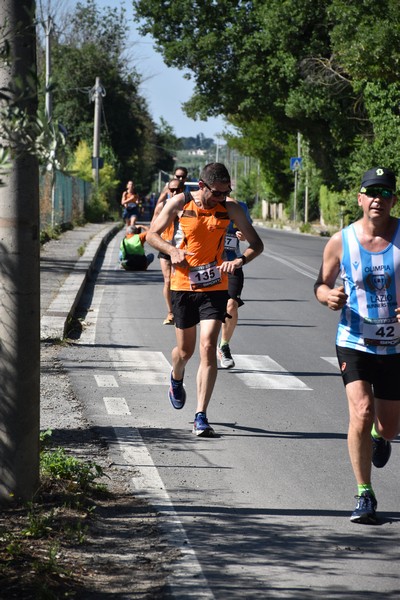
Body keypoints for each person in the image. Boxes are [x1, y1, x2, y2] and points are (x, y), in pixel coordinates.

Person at [147, 162, 264, 437]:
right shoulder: (180, 202)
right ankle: (176, 377)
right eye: (218, 193)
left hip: (214, 286)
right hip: (183, 285)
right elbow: (151, 234)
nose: (222, 198)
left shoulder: (230, 208)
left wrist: (238, 260)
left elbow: (256, 244)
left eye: (226, 192)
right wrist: (171, 251)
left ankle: (201, 415)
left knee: (208, 345)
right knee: (185, 352)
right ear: (202, 186)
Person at [314, 166, 400, 524]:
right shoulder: (340, 241)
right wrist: (328, 297)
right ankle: (364, 493)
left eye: (385, 192)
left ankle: (383, 437)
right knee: (361, 412)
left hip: (396, 345)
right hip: (354, 340)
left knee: (389, 425)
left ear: (393, 200)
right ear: (360, 198)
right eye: (371, 192)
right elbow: (321, 284)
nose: (377, 199)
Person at [218, 200, 252, 369]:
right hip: (209, 265)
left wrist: (242, 235)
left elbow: (249, 235)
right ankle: (207, 349)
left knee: (232, 305)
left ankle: (224, 346)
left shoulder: (240, 207)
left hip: (232, 264)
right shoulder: (205, 205)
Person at [152, 178, 185, 325]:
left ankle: (183, 310)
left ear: (182, 190)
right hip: (165, 246)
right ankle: (171, 312)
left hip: (181, 247)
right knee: (168, 280)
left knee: (181, 280)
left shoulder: (187, 206)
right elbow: (153, 227)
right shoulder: (161, 206)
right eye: (171, 190)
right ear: (167, 191)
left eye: (177, 189)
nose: (174, 192)